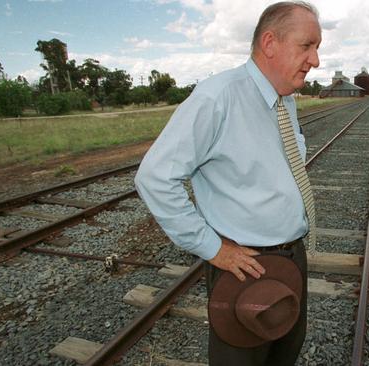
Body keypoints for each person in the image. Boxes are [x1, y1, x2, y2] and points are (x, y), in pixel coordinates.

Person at [134, 1, 322, 365]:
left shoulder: (286, 101)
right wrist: (211, 247)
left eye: (317, 48)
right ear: (270, 43)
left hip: (292, 257)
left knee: (284, 355)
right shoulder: (217, 97)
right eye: (307, 46)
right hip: (245, 265)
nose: (315, 60)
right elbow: (155, 178)